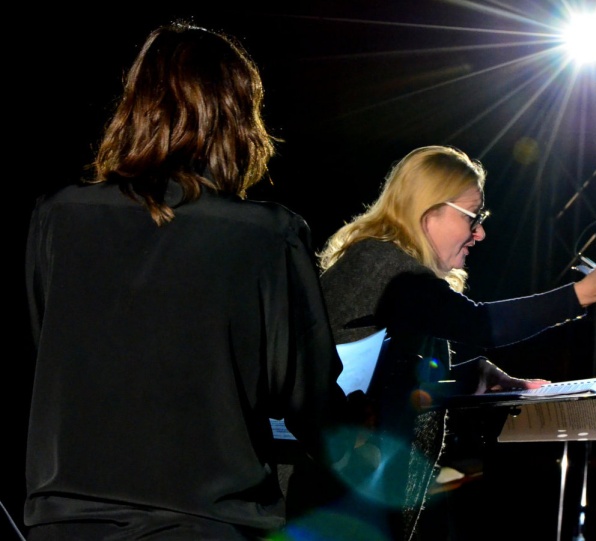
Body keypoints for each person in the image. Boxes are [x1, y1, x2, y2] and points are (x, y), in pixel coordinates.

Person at [22, 22, 350, 540]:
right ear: (238, 117)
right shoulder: (267, 234)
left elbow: (55, 355)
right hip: (205, 524)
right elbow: (309, 402)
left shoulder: (57, 217)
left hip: (66, 525)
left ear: (135, 104)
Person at [283, 145, 596, 541]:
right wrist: (584, 293)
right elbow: (483, 324)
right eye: (473, 216)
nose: (480, 232)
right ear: (428, 212)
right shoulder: (386, 266)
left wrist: (482, 374)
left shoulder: (392, 268)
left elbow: (409, 365)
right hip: (333, 501)